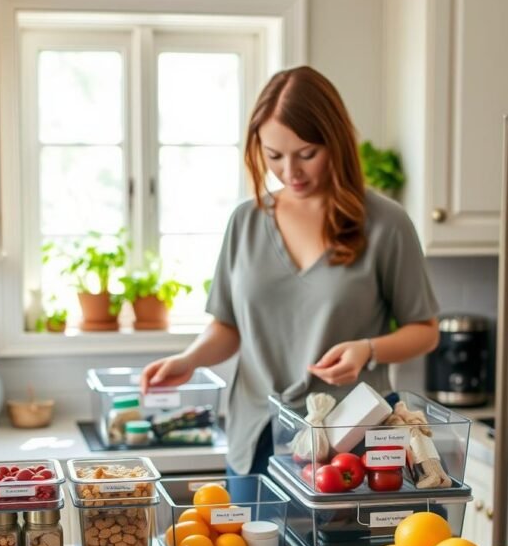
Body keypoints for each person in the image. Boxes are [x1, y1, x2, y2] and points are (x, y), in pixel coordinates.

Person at [140, 66, 440, 475]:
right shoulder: (245, 222)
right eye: (274, 156)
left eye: (307, 154)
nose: (290, 172)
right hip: (257, 435)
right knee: (246, 541)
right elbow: (227, 326)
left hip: (352, 438)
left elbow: (424, 329)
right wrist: (189, 360)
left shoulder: (386, 224)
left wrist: (368, 349)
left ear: (336, 143)